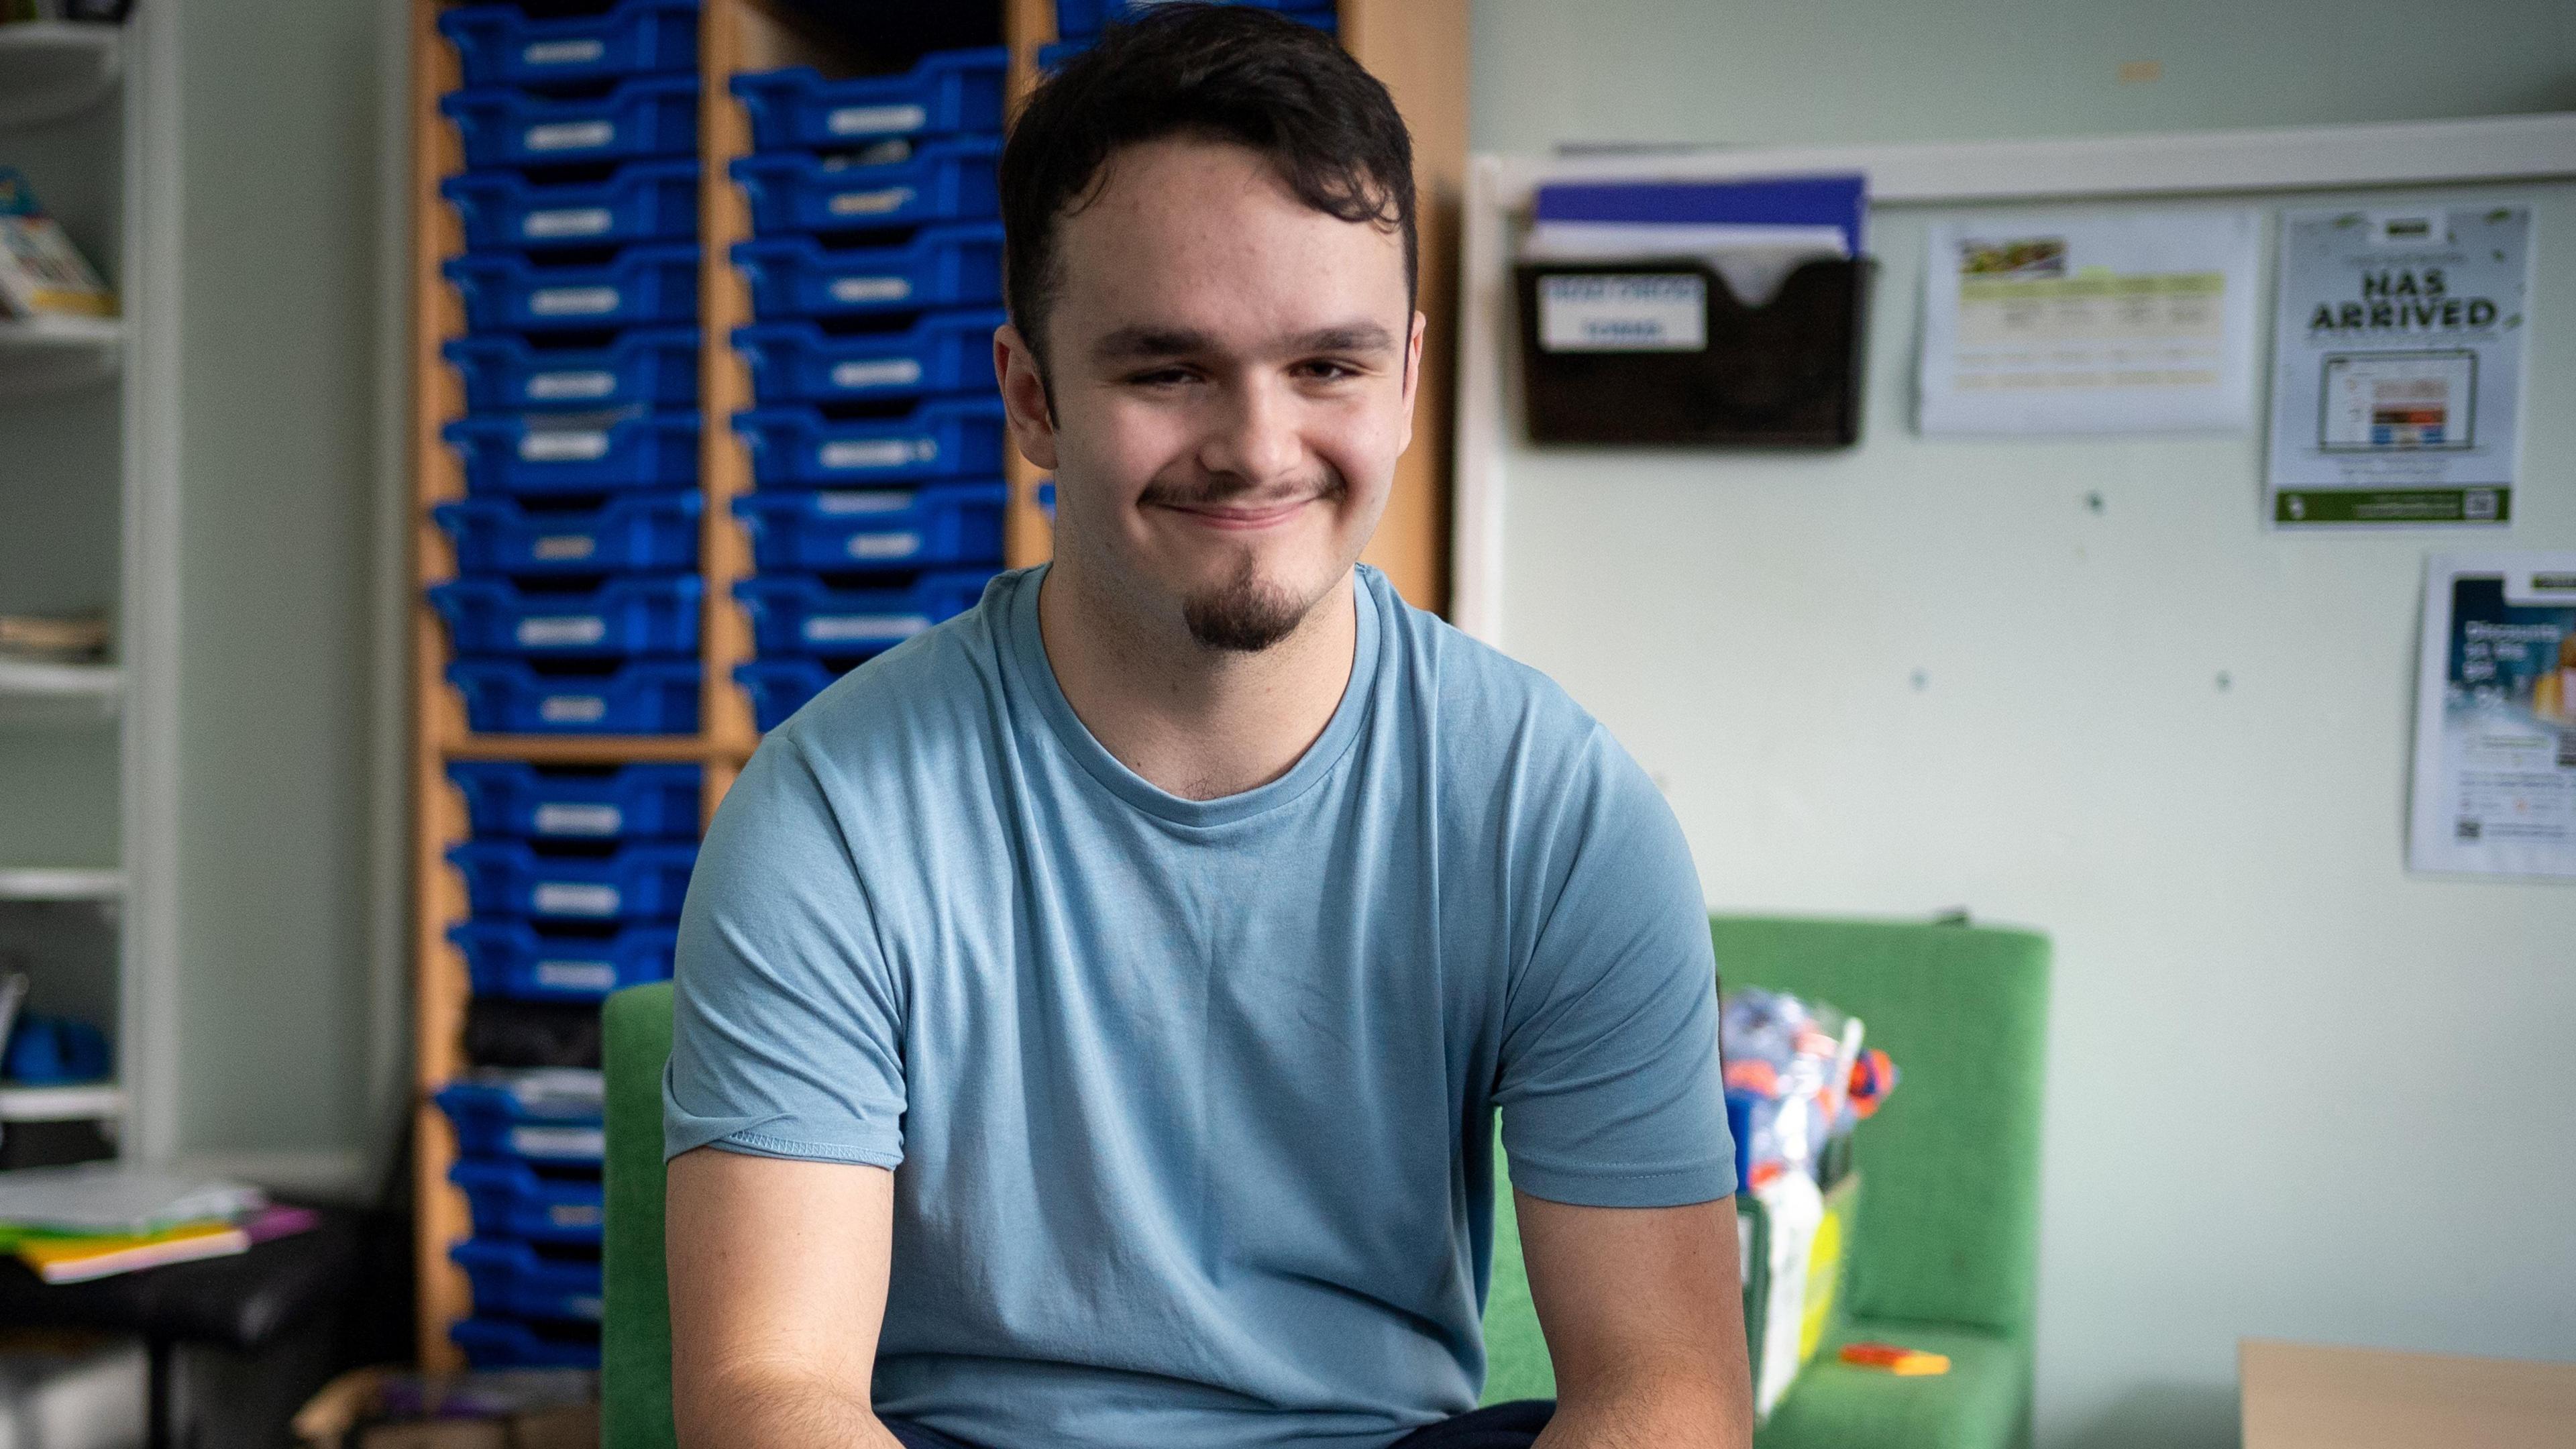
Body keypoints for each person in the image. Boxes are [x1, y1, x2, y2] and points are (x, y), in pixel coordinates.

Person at [662, 7, 1753, 1447]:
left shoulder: (1562, 815)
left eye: (1328, 366)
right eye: (1169, 370)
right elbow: (767, 1390)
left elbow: (1671, 1389)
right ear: (1032, 397)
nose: (1257, 444)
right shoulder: (830, 814)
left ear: (1411, 379)